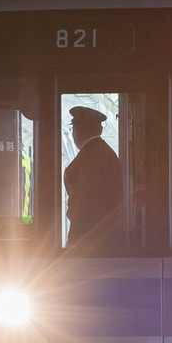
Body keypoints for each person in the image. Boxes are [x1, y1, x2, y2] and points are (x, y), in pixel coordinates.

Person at [62, 105, 123, 251]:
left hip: (87, 240)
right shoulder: (106, 153)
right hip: (106, 237)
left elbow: (82, 206)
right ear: (99, 130)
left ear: (78, 132)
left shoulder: (87, 159)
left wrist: (74, 242)